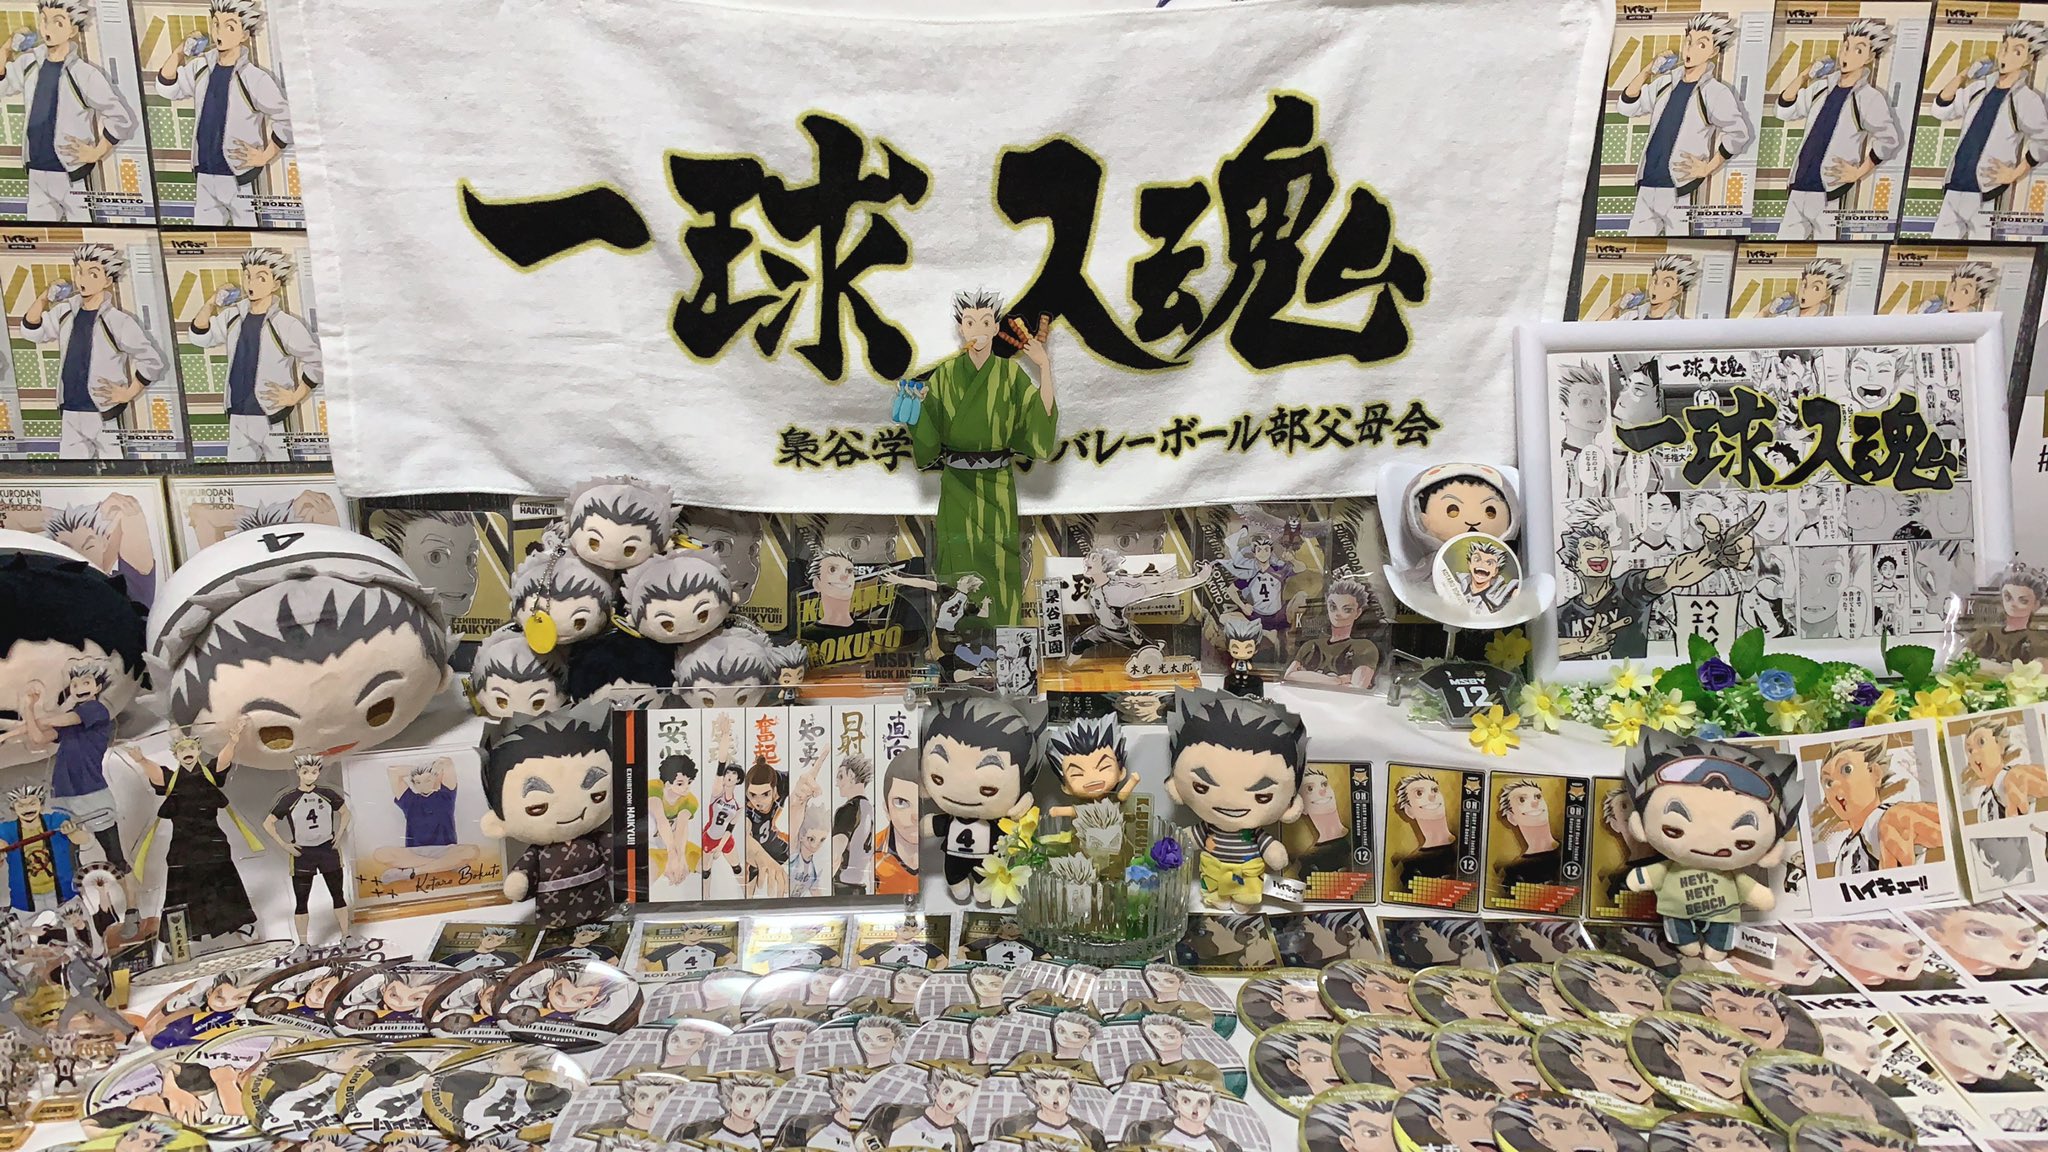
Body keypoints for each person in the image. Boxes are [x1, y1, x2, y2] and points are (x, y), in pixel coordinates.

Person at [908, 294, 1059, 627]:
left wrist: (1044, 366)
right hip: (955, 482)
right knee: (955, 556)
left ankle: (1006, 638)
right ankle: (954, 640)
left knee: (1001, 559)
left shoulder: (1010, 374)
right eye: (970, 322)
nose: (978, 329)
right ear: (961, 329)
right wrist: (914, 408)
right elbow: (928, 434)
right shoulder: (945, 375)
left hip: (997, 482)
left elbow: (1039, 421)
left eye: (986, 322)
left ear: (995, 328)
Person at [152, 0, 291, 227]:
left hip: (240, 176)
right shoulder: (200, 67)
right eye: (216, 24)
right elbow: (167, 88)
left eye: (230, 27)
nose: (219, 32)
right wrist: (179, 52)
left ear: (244, 35)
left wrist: (266, 155)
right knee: (205, 235)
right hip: (204, 173)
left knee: (251, 236)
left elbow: (286, 117)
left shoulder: (255, 78)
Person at [1554, 506, 1759, 659]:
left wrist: (1710, 558)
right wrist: (1582, 646)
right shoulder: (1562, 614)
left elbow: (1674, 575)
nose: (1600, 553)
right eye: (1590, 548)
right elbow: (1544, 648)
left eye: (1604, 546)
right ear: (1573, 561)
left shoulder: (1630, 589)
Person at [24, 244, 167, 461]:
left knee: (116, 469)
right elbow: (33, 331)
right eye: (79, 271)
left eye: (92, 274)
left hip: (105, 413)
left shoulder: (119, 320)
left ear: (107, 281)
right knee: (71, 473)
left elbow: (152, 361)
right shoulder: (64, 311)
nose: (83, 279)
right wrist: (44, 297)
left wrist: (129, 393)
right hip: (70, 410)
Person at [0, 0, 138, 223]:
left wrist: (97, 152)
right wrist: (7, 48)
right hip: (36, 170)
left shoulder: (84, 73)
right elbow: (2, 85)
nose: (48, 28)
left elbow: (121, 118)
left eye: (58, 23)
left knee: (85, 231)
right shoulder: (28, 64)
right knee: (40, 233)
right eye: (44, 20)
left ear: (73, 31)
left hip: (71, 173)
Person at [1617, 11, 1754, 236]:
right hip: (1647, 183)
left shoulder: (1715, 92)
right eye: (1688, 41)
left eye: (1701, 45)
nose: (1690, 49)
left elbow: (1739, 134)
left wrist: (1708, 168)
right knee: (1636, 243)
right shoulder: (1665, 83)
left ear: (1714, 52)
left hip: (1680, 188)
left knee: (1679, 244)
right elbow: (1628, 107)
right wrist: (1647, 71)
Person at [190, 248, 322, 463]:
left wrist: (296, 396)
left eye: (261, 278)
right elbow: (201, 338)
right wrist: (211, 303)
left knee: (283, 472)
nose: (251, 283)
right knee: (239, 474)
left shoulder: (286, 324)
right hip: (237, 414)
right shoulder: (232, 316)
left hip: (272, 416)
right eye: (247, 276)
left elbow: (316, 361)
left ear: (275, 284)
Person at [130, 727, 261, 941]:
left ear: (198, 750)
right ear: (176, 755)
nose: (187, 752)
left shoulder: (208, 774)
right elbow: (157, 774)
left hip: (212, 839)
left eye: (191, 747)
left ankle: (240, 923)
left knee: (225, 880)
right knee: (181, 887)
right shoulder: (171, 779)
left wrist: (232, 742)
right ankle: (177, 937)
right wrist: (141, 760)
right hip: (183, 844)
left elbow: (222, 762)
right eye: (182, 749)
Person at [1933, 21, 2048, 239]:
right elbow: (1941, 110)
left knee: (1981, 246)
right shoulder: (1979, 88)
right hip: (1954, 184)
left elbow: (2044, 141)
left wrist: (2015, 174)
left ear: (2028, 60)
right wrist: (1963, 75)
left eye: (2016, 51)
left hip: (1986, 192)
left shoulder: (2026, 99)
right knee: (1939, 242)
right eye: (2004, 48)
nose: (2006, 55)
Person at [261, 752, 349, 943]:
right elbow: (268, 823)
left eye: (314, 772)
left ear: (319, 772)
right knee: (302, 900)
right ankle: (303, 944)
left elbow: (345, 813)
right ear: (298, 772)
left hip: (327, 850)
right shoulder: (290, 798)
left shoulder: (327, 794)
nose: (310, 776)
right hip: (303, 853)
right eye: (305, 771)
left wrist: (339, 834)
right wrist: (285, 845)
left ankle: (346, 935)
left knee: (338, 895)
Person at [368, 759, 482, 880]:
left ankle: (414, 871)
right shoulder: (409, 800)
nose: (423, 785)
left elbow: (447, 763)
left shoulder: (446, 796)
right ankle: (451, 865)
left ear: (436, 779)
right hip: (414, 852)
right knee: (380, 854)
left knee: (472, 850)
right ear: (414, 784)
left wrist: (431, 770)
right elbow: (392, 772)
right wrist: (419, 770)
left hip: (446, 849)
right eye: (418, 782)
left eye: (428, 780)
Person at [1283, 578, 1382, 690]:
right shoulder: (1310, 646)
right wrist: (1337, 680)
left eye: (1347, 609)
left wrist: (1306, 677)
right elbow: (1289, 676)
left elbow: (1357, 688)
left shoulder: (1364, 647)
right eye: (1333, 607)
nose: (1338, 614)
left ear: (1358, 612)